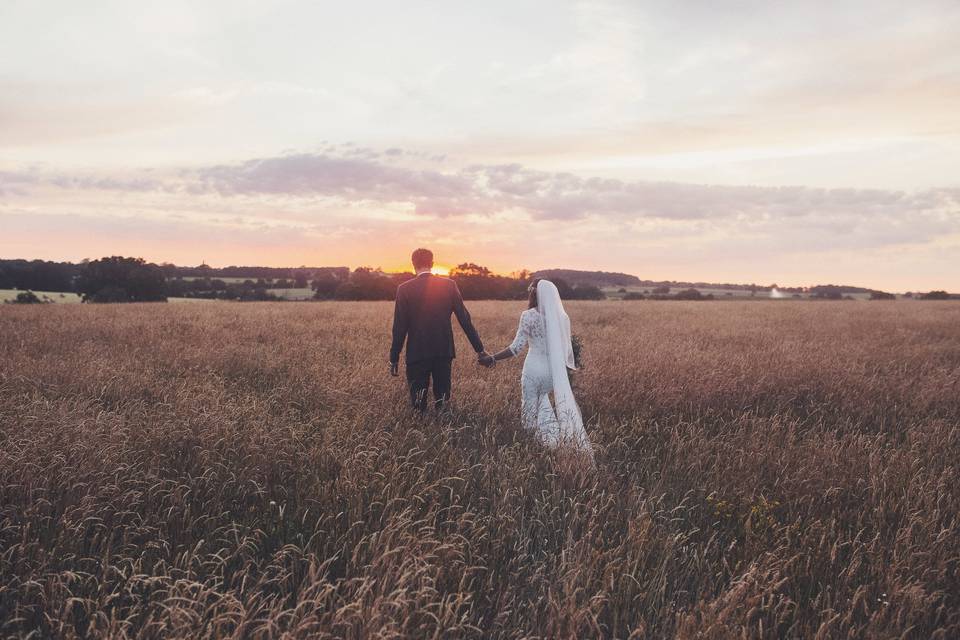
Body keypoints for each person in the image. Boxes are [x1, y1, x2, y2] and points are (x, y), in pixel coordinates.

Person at [481, 279, 593, 460]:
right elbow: (565, 350)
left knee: (530, 409)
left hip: (533, 368)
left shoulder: (529, 315)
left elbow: (516, 348)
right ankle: (552, 443)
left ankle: (532, 450)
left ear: (533, 293)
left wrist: (492, 358)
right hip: (551, 372)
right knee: (543, 404)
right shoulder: (562, 318)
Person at [389, 248, 491, 412]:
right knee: (443, 400)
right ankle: (444, 432)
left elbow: (399, 327)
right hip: (444, 351)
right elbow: (465, 319)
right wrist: (480, 350)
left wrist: (394, 358)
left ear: (413, 264)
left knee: (418, 404)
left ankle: (422, 433)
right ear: (432, 263)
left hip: (417, 353)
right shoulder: (449, 285)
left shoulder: (404, 289)